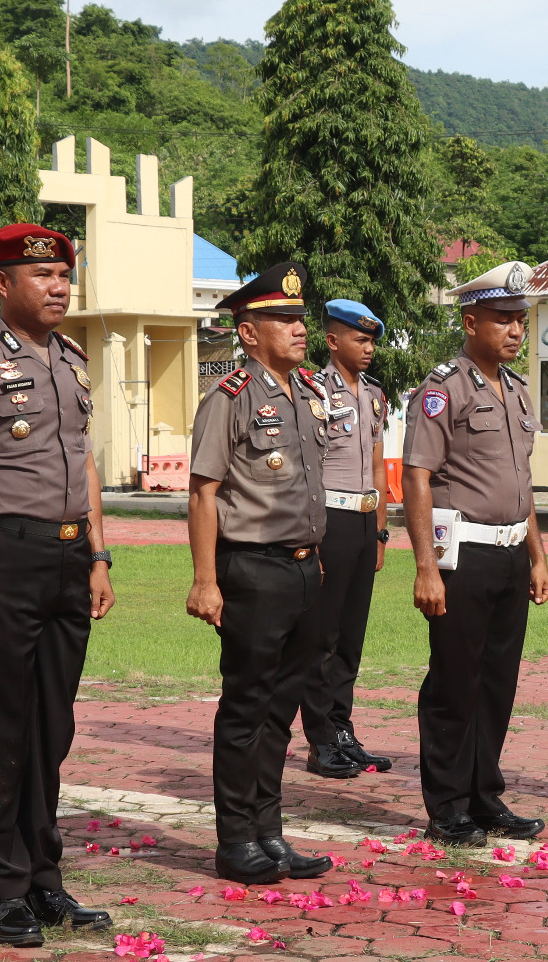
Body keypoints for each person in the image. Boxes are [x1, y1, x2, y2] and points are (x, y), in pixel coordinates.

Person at [0, 223, 117, 946]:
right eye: (41, 276)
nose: (58, 286)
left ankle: (44, 876)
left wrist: (99, 555)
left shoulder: (71, 359)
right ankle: (2, 887)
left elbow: (85, 462)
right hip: (4, 556)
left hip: (70, 559)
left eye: (64, 274)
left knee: (50, 728)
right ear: (1, 286)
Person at [185, 262, 335, 886]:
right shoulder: (229, 398)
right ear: (248, 332)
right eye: (285, 319)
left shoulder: (305, 393)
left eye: (301, 318)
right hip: (251, 568)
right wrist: (204, 579)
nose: (300, 329)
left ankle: (269, 832)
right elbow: (202, 491)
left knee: (283, 708)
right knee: (246, 706)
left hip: (303, 568)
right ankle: (235, 839)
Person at [402, 261, 548, 847]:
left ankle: (485, 795)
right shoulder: (444, 389)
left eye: (521, 320)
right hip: (460, 553)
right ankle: (447, 805)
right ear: (471, 322)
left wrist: (538, 555)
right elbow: (417, 477)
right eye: (503, 319)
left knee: (498, 682)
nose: (516, 330)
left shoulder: (516, 390)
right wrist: (425, 567)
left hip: (511, 553)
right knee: (454, 682)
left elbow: (522, 483)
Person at [298, 299, 393, 780]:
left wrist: (380, 529)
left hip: (361, 522)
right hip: (327, 522)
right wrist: (310, 535)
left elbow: (378, 464)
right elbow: (306, 468)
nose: (369, 348)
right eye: (360, 339)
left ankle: (342, 730)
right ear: (333, 341)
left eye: (372, 339)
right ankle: (320, 741)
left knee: (351, 635)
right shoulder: (312, 391)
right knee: (323, 635)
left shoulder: (373, 394)